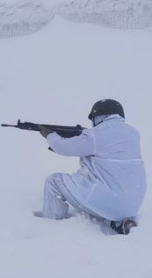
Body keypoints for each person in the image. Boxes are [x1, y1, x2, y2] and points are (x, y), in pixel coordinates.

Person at [37, 99, 146, 234]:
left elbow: (62, 147)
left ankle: (53, 225)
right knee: (111, 189)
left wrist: (50, 135)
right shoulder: (133, 134)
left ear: (99, 116)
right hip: (133, 203)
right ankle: (120, 222)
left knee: (53, 182)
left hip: (107, 197)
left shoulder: (96, 134)